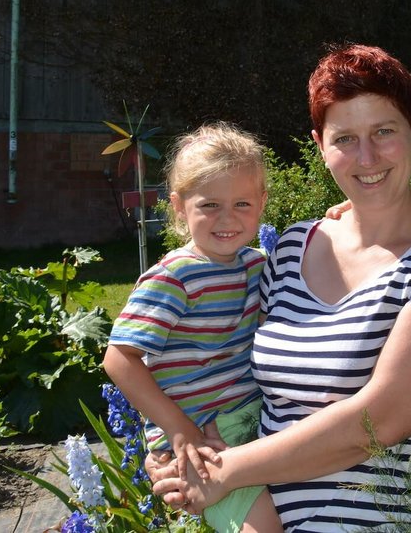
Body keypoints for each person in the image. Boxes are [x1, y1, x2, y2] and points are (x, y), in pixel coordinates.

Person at [152, 42, 411, 530]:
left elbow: (381, 420)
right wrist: (182, 450)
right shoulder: (292, 247)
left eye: (384, 131)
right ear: (320, 145)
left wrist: (223, 473)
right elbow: (219, 362)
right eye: (345, 139)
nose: (367, 157)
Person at [104, 122, 282, 533]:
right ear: (179, 207)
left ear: (262, 202)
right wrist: (178, 431)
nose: (227, 219)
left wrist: (341, 214)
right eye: (209, 205)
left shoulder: (257, 264)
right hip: (201, 439)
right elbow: (119, 359)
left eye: (242, 204)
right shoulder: (175, 277)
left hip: (253, 423)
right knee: (264, 526)